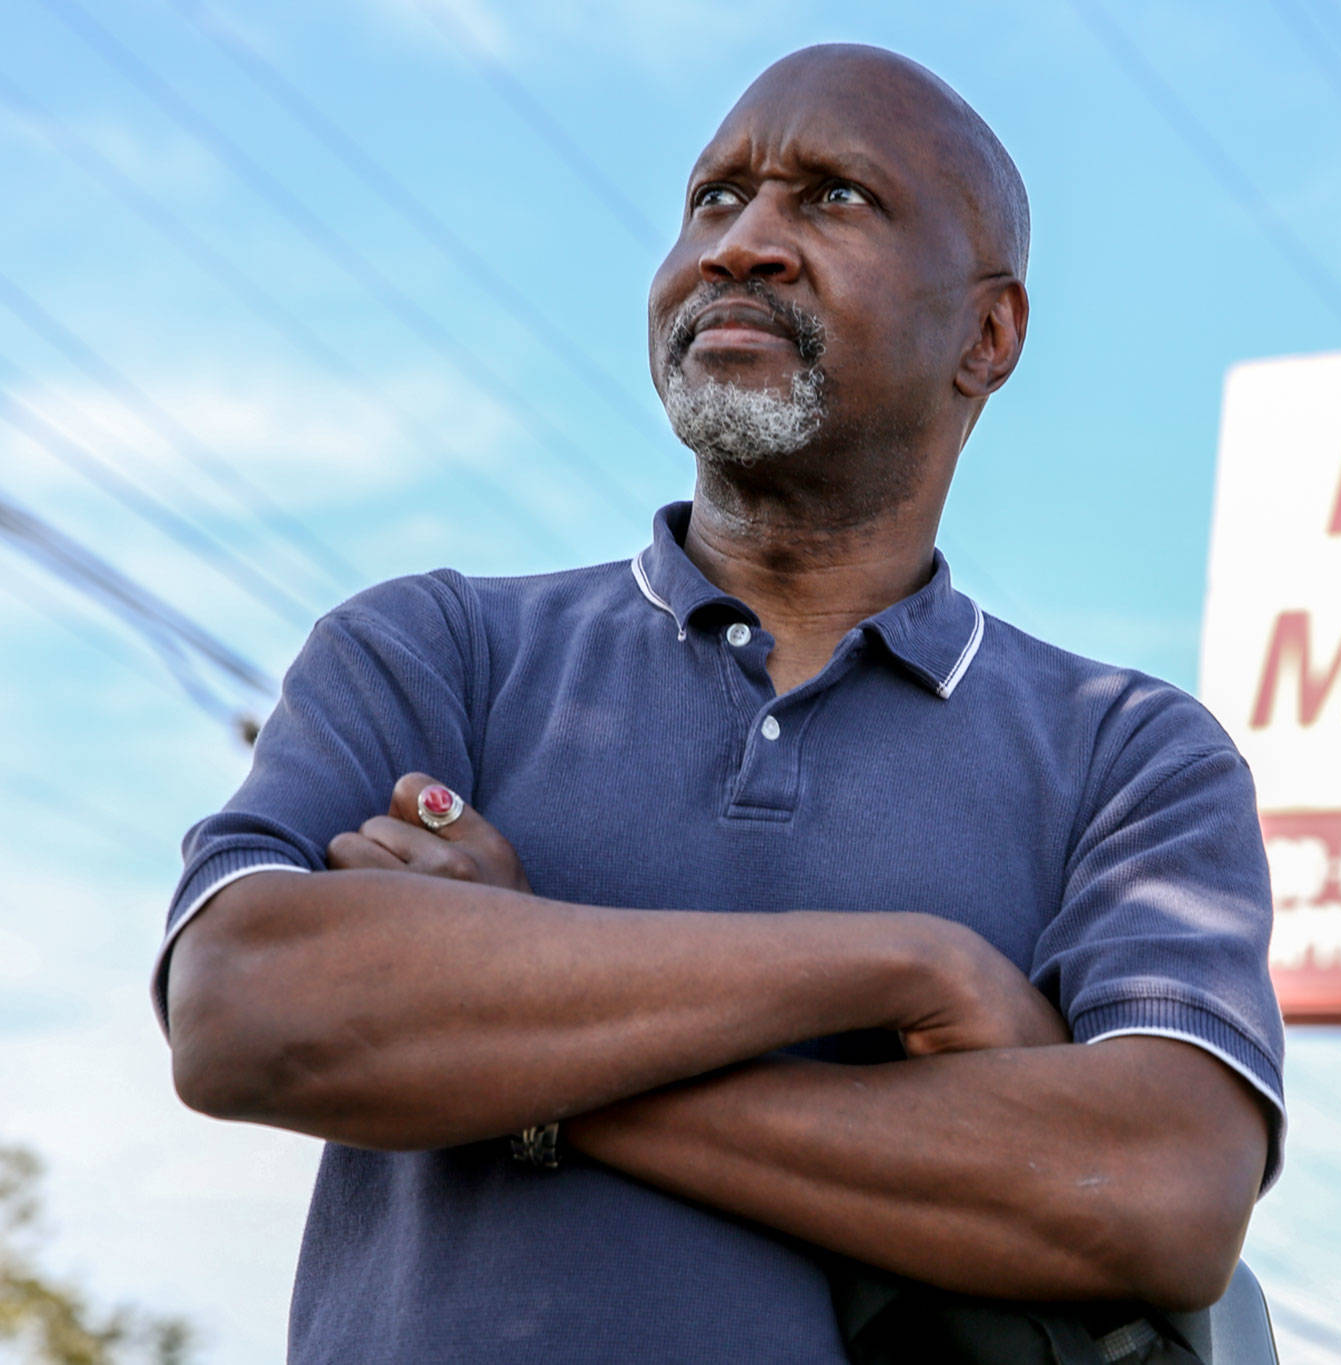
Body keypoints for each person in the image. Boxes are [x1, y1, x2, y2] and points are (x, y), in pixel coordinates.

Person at [156, 43, 1283, 1363]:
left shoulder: (1128, 754)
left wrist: (509, 1045)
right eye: (714, 199)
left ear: (989, 334)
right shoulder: (440, 648)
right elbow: (245, 1008)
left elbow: (1157, 1195)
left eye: (834, 198)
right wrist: (903, 961)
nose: (743, 242)